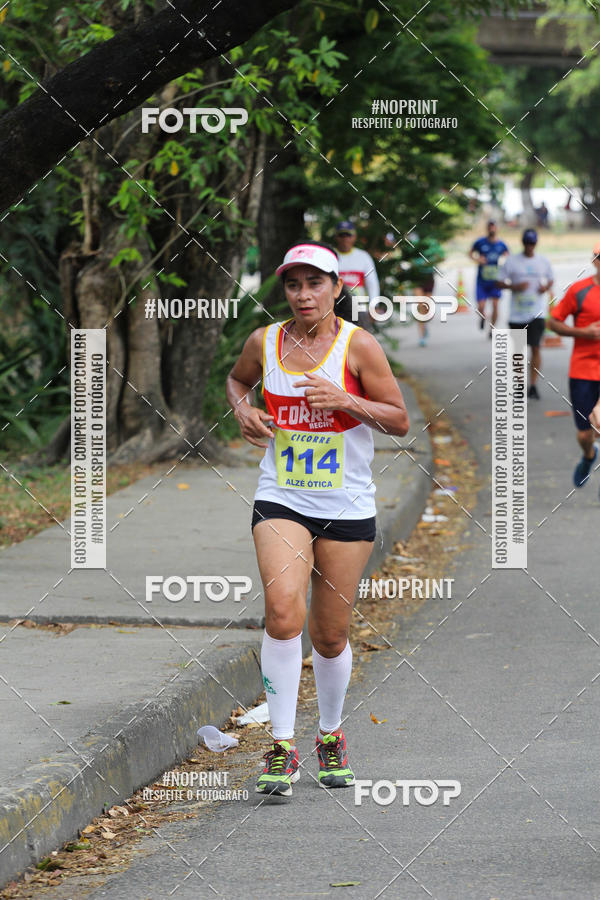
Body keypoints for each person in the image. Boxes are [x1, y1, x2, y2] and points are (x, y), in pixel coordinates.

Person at [226, 239, 409, 797]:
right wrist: (243, 411)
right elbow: (237, 381)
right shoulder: (266, 341)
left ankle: (330, 733)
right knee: (284, 615)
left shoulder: (360, 347)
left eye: (315, 283)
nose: (303, 294)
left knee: (330, 636)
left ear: (336, 287)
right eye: (293, 284)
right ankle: (281, 746)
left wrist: (347, 400)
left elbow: (399, 420)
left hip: (347, 503)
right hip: (282, 496)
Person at [548, 243, 600, 488]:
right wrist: (583, 332)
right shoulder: (579, 291)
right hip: (583, 370)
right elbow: (554, 322)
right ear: (594, 261)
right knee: (584, 432)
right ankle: (589, 455)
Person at [495, 229, 554, 399]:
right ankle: (520, 384)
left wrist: (545, 287)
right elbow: (498, 282)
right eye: (527, 243)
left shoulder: (543, 261)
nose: (530, 246)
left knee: (535, 347)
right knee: (519, 351)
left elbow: (551, 279)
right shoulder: (511, 262)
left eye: (532, 243)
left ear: (536, 243)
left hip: (537, 313)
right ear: (523, 243)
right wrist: (514, 287)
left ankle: (533, 385)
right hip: (516, 314)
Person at [334, 221, 380, 328]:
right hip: (336, 310)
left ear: (354, 237)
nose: (345, 238)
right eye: (341, 235)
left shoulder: (363, 257)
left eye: (348, 235)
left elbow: (372, 283)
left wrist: (373, 306)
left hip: (360, 309)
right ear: (336, 237)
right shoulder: (330, 256)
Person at [469, 220, 509, 336]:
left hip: (495, 281)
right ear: (487, 229)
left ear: (497, 229)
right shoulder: (480, 242)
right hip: (482, 281)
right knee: (481, 307)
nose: (492, 229)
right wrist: (477, 259)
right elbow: (470, 253)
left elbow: (508, 257)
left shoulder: (501, 244)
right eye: (490, 227)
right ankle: (482, 317)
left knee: (496, 305)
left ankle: (492, 328)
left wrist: (504, 261)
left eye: (494, 227)